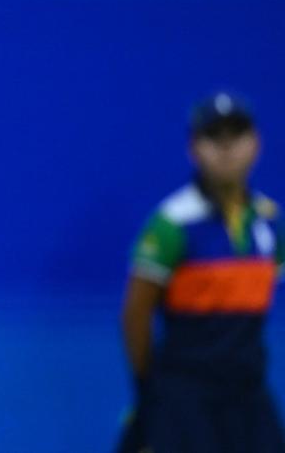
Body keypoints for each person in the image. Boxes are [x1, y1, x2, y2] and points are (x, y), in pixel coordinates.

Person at [119, 92, 285, 453]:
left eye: (237, 135)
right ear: (194, 148)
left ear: (256, 144)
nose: (227, 148)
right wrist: (151, 391)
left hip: (249, 395)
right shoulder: (172, 223)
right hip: (186, 396)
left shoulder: (270, 222)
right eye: (214, 137)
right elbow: (135, 314)